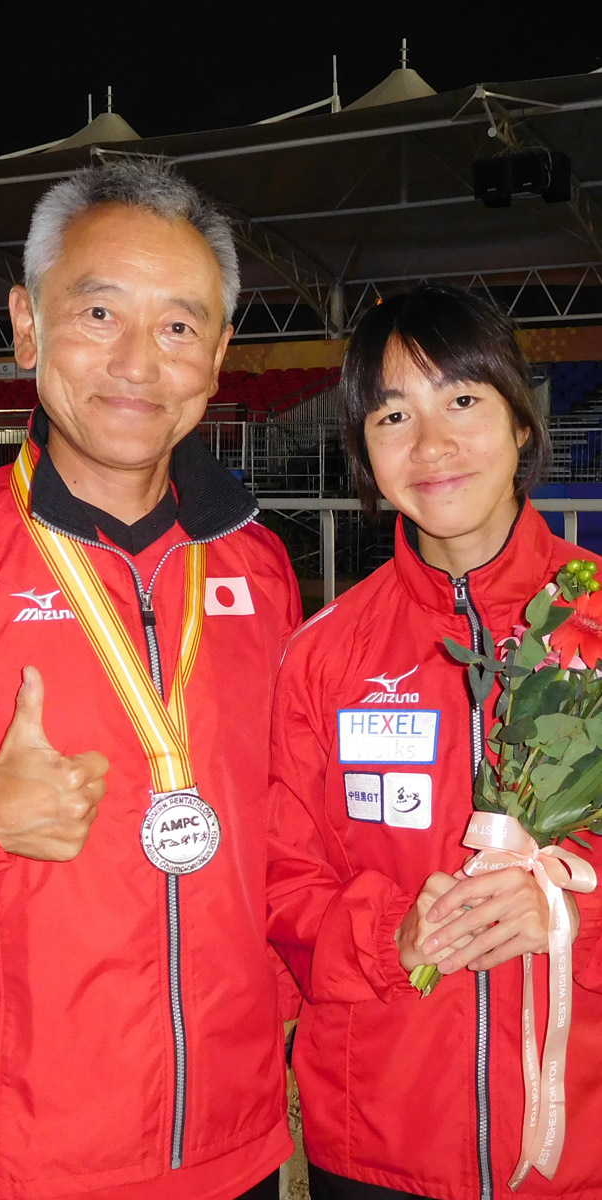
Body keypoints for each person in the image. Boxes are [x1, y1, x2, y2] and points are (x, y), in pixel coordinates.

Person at [0, 159, 301, 1200]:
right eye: (100, 312)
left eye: (180, 326)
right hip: (21, 1161)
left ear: (219, 354)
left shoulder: (259, 565)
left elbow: (282, 823)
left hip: (236, 1144)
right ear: (27, 324)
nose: (139, 362)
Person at [266, 285, 602, 1200]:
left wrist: (571, 916)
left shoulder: (596, 622)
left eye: (461, 400)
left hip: (578, 1145)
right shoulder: (322, 657)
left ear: (522, 423)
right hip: (379, 1141)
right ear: (364, 453)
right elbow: (281, 887)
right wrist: (391, 936)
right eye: (392, 415)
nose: (431, 444)